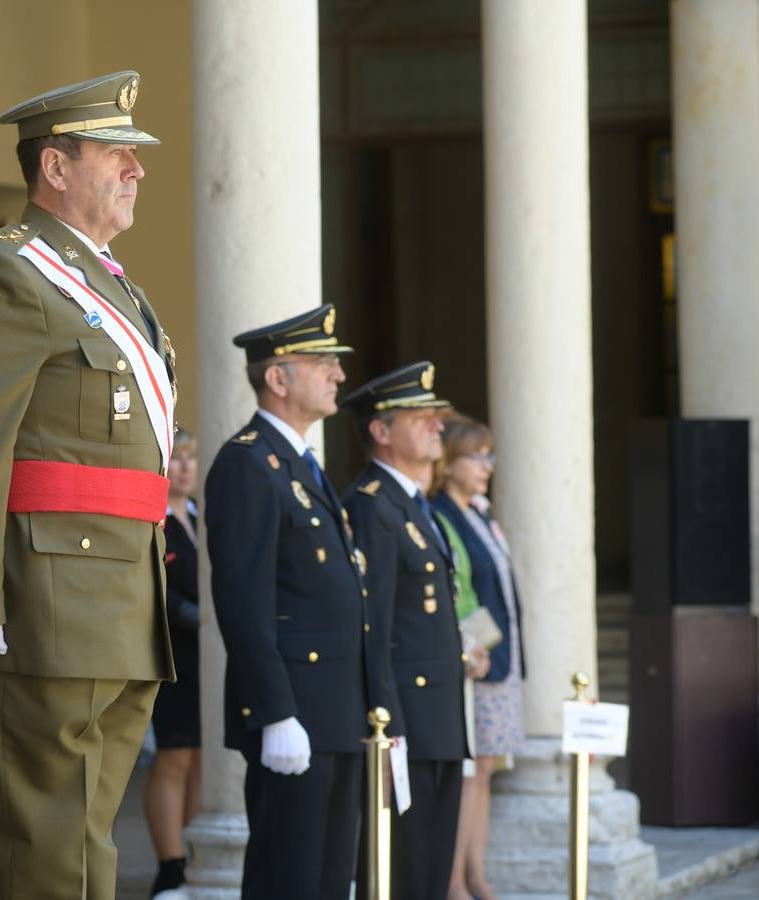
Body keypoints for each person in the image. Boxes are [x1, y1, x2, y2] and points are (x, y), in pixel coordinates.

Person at [0, 70, 177, 900]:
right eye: (115, 154)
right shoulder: (9, 277)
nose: (136, 170)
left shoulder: (112, 283)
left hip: (118, 600)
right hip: (49, 602)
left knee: (84, 844)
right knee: (48, 852)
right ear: (55, 168)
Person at [206, 306, 371, 899]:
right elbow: (243, 602)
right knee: (289, 878)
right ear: (278, 379)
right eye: (322, 364)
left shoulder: (301, 464)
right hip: (295, 711)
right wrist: (275, 712)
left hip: (336, 712)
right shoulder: (247, 462)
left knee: (328, 880)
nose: (337, 376)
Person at [341, 361, 487, 900]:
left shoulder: (411, 504)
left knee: (430, 861)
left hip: (439, 715)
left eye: (436, 417)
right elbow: (371, 626)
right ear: (380, 432)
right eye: (420, 416)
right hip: (406, 718)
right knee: (401, 864)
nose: (435, 426)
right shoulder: (373, 505)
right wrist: (386, 724)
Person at [431, 414, 525, 900]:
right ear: (448, 462)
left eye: (489, 454)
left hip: (499, 659)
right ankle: (452, 884)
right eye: (476, 455)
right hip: (477, 662)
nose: (487, 464)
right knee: (470, 774)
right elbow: (458, 592)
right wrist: (476, 645)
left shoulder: (479, 512)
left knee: (485, 771)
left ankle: (476, 876)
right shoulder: (442, 515)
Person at [144, 427, 200, 898]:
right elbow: (155, 588)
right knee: (174, 759)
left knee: (201, 759)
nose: (184, 466)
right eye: (176, 457)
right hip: (173, 653)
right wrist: (191, 615)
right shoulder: (155, 516)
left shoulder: (199, 517)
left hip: (207, 657)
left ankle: (191, 855)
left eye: (190, 458)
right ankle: (170, 864)